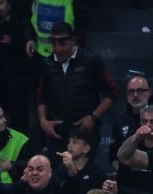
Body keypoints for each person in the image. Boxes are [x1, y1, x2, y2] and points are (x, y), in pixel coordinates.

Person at [36, 22, 117, 155]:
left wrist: (94, 117)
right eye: (54, 43)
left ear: (73, 40)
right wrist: (43, 121)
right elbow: (41, 97)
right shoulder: (47, 64)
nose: (57, 49)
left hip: (84, 131)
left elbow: (113, 92)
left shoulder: (91, 61)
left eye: (62, 43)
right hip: (57, 132)